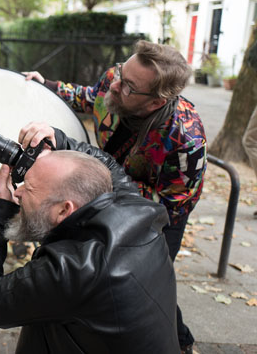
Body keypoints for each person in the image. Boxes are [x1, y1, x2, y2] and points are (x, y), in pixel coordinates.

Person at [23, 40, 205, 353]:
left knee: (147, 283)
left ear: (155, 103)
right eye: (121, 71)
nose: (115, 83)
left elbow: (174, 203)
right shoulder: (119, 80)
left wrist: (106, 187)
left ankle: (179, 341)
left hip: (156, 215)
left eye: (129, 85)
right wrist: (49, 86)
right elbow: (91, 97)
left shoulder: (186, 139)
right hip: (105, 193)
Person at [0, 122, 180, 353]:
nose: (17, 191)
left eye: (29, 188)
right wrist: (58, 141)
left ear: (65, 210)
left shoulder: (71, 272)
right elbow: (106, 165)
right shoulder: (137, 208)